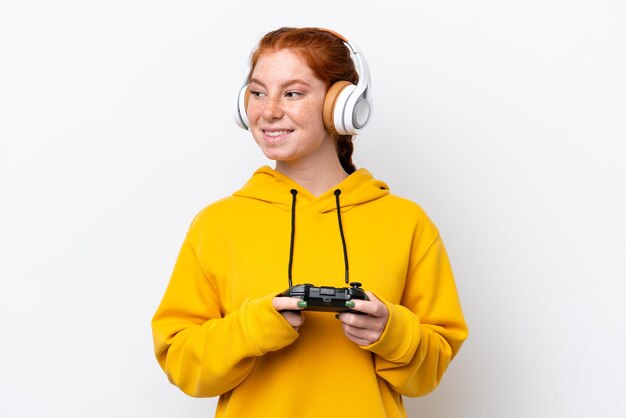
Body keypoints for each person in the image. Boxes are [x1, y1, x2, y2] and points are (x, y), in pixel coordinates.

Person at [151, 27, 468, 418]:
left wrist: (392, 333)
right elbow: (181, 365)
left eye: (293, 93)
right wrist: (251, 329)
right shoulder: (216, 225)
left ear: (341, 105)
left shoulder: (407, 223)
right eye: (258, 92)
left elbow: (432, 370)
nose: (268, 111)